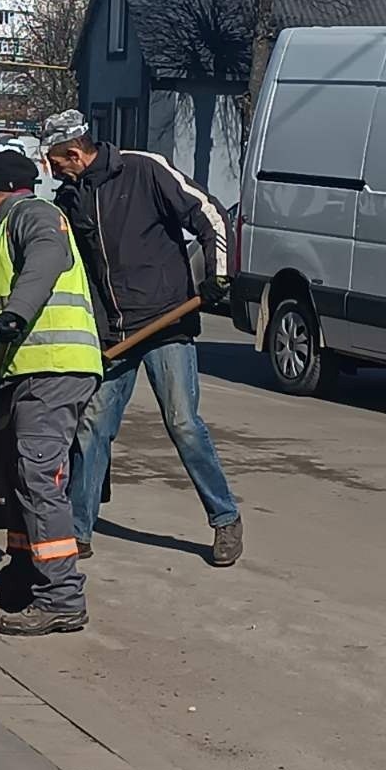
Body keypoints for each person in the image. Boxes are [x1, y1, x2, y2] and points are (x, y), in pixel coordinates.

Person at [40, 109, 243, 568]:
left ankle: (225, 517)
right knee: (93, 427)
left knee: (184, 424)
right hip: (115, 331)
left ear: (74, 152)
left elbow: (208, 215)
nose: (50, 169)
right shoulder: (71, 198)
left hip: (166, 320)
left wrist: (218, 276)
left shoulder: (144, 169)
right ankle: (78, 530)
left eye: (54, 160)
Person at [0, 149, 103, 636]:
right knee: (15, 472)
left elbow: (49, 257)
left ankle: (62, 598)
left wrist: (18, 311)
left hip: (54, 368)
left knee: (38, 477)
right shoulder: (7, 231)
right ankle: (25, 576)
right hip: (27, 371)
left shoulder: (34, 216)